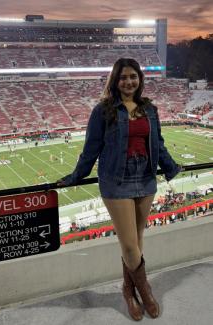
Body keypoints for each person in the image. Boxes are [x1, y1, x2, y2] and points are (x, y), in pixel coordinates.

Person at [57, 58, 181, 321]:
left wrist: (170, 167)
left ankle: (128, 289)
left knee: (136, 241)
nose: (129, 82)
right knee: (128, 244)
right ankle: (144, 291)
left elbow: (158, 141)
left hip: (146, 177)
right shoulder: (104, 110)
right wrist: (76, 176)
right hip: (116, 179)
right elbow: (91, 149)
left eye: (133, 76)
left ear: (140, 79)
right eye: (123, 77)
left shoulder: (150, 109)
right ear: (115, 81)